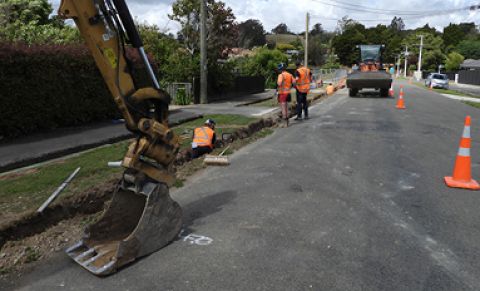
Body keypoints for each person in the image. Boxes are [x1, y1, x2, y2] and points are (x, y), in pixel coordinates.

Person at [276, 63, 295, 127]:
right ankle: (288, 121)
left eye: (279, 69)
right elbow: (294, 82)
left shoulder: (280, 75)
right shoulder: (290, 75)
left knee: (283, 108)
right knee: (287, 107)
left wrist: (280, 84)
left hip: (282, 93)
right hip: (288, 93)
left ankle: (285, 123)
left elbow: (279, 83)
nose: (278, 70)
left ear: (281, 69)